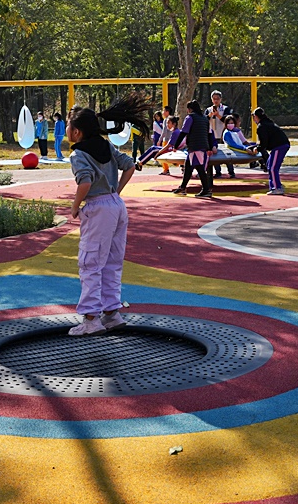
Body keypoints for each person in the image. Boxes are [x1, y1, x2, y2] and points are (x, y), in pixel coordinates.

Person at [66, 93, 152, 336]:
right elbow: (130, 165)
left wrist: (75, 206)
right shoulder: (107, 146)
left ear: (77, 132)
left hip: (98, 208)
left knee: (90, 262)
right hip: (116, 205)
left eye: (69, 126)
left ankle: (91, 319)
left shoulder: (78, 154)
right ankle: (112, 313)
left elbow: (85, 182)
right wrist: (116, 191)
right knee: (112, 262)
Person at [169, 100, 217, 197]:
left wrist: (176, 145)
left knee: (199, 168)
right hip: (203, 146)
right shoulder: (204, 118)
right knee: (188, 167)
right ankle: (183, 186)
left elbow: (184, 132)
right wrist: (210, 147)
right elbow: (209, 134)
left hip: (194, 146)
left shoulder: (190, 118)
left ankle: (206, 189)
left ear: (189, 109)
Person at [249, 107, 290, 196]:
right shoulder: (268, 123)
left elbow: (264, 142)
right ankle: (275, 185)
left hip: (279, 146)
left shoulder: (262, 126)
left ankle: (277, 188)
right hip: (280, 145)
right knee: (269, 164)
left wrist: (257, 149)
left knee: (272, 167)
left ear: (256, 116)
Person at [205, 90, 234, 178]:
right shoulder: (208, 110)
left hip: (223, 134)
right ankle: (218, 172)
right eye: (214, 99)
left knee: (228, 153)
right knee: (215, 154)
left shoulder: (225, 109)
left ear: (221, 99)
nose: (216, 101)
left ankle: (231, 171)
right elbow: (204, 120)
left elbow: (227, 120)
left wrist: (217, 115)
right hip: (212, 135)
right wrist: (209, 116)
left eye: (217, 99)